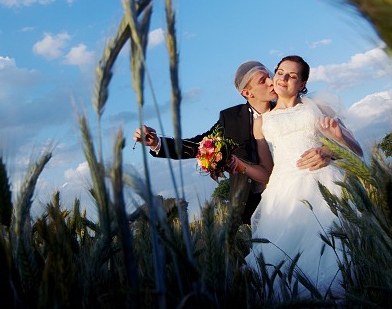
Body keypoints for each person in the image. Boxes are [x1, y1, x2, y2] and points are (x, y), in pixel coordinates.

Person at [133, 60, 337, 225]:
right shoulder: (230, 119)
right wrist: (156, 142)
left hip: (305, 190)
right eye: (262, 80)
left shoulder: (294, 107)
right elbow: (196, 146)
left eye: (269, 75)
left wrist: (327, 151)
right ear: (247, 93)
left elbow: (334, 138)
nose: (271, 82)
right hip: (256, 204)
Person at [231, 55, 363, 301]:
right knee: (282, 263)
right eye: (280, 72)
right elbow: (268, 171)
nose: (284, 78)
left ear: (302, 84)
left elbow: (356, 150)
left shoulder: (318, 107)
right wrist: (239, 166)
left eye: (292, 75)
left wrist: (330, 149)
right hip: (283, 195)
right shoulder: (261, 123)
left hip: (323, 185)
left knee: (328, 257)